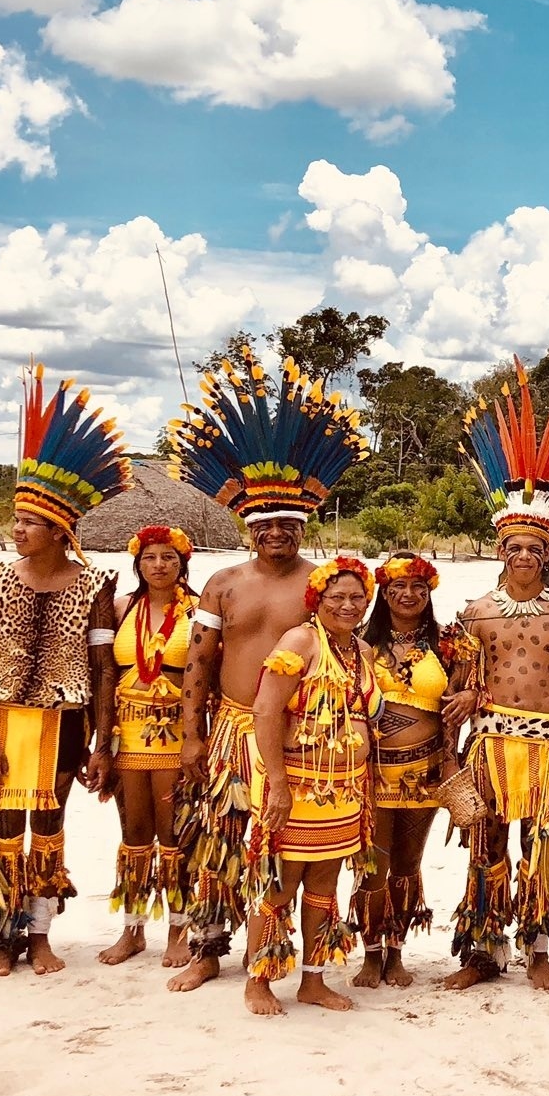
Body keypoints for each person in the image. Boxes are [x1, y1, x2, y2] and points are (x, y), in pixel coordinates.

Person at [163, 353, 368, 994]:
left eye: (287, 524)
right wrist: (192, 735)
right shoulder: (224, 583)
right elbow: (198, 662)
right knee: (216, 842)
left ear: (300, 528)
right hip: (229, 729)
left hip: (298, 738)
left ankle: (291, 966)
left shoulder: (324, 586)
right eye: (265, 525)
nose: (277, 532)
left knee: (280, 852)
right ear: (249, 530)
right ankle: (205, 948)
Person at [442, 361, 549, 993]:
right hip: (490, 745)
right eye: (513, 547)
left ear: (548, 555)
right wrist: (452, 742)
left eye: (534, 549)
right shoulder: (476, 613)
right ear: (499, 552)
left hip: (548, 747)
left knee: (543, 846)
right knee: (487, 845)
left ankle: (538, 947)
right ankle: (483, 952)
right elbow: (459, 688)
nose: (523, 556)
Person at [0, 367, 129, 977]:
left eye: (29, 523)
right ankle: (2, 936)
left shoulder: (95, 582)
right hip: (4, 717)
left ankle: (38, 934)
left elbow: (104, 668)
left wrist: (103, 744)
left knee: (49, 828)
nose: (18, 530)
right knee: (3, 829)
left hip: (65, 721)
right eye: (17, 521)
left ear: (59, 529)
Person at [248, 557, 381, 1015]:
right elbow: (265, 712)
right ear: (317, 600)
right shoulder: (300, 641)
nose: (348, 605)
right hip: (298, 787)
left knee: (325, 883)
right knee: (281, 884)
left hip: (344, 791)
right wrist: (279, 785)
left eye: (357, 597)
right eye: (337, 597)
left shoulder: (360, 651)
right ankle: (258, 981)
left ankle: (312, 980)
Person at [352, 551, 466, 990]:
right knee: (372, 863)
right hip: (374, 770)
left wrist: (469, 701)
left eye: (418, 586)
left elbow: (460, 698)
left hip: (426, 769)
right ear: (383, 591)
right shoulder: (361, 642)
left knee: (407, 862)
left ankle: (395, 950)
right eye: (398, 586)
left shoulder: (446, 643)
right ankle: (371, 952)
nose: (408, 594)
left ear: (429, 591)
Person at [98, 525, 198, 969]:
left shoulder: (197, 611)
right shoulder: (122, 608)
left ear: (183, 563)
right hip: (128, 731)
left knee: (174, 834)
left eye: (168, 558)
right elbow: (101, 673)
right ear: (137, 564)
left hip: (178, 733)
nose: (159, 565)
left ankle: (179, 928)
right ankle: (133, 929)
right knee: (134, 834)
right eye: (150, 558)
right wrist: (100, 743)